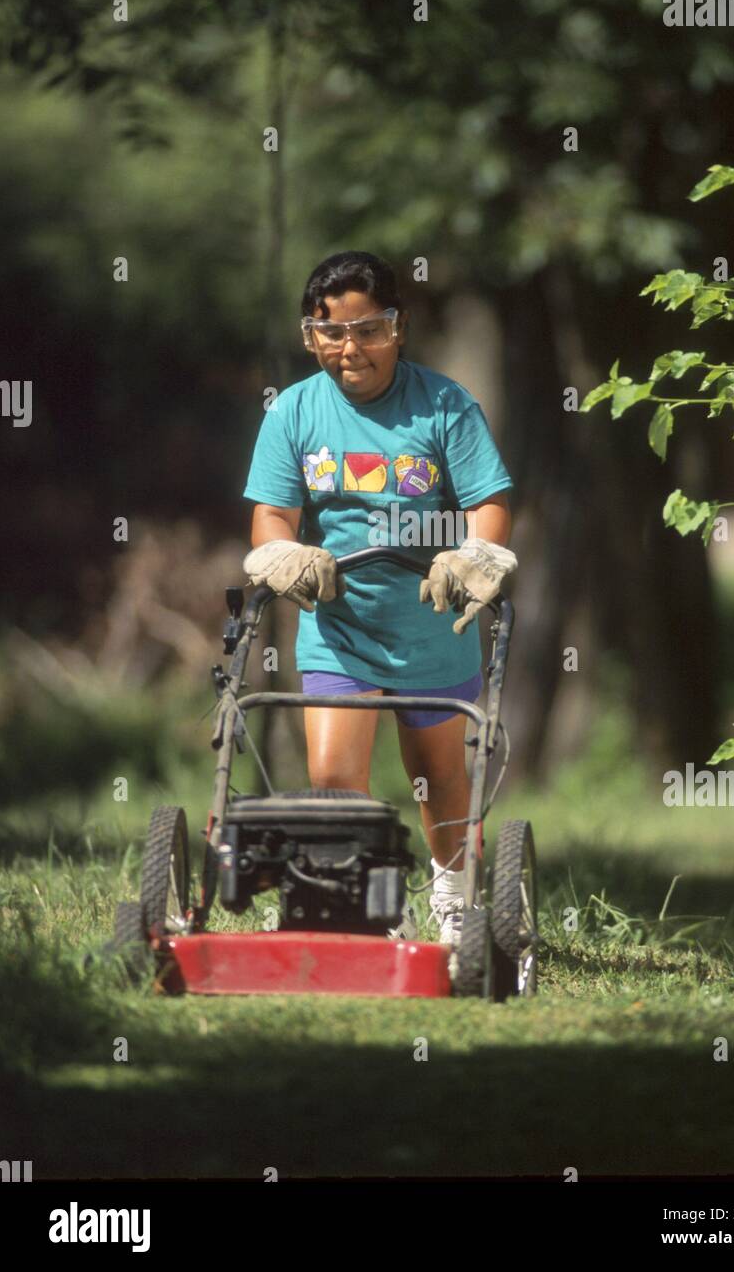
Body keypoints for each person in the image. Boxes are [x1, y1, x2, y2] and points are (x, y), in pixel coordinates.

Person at [241, 251, 516, 947]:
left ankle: (453, 899)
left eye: (366, 330)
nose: (349, 349)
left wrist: (475, 555)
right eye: (330, 333)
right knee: (335, 782)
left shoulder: (445, 405)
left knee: (440, 778)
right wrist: (285, 553)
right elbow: (271, 515)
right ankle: (358, 906)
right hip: (340, 630)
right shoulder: (294, 412)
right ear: (310, 335)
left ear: (396, 327)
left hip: (433, 622)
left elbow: (488, 503)